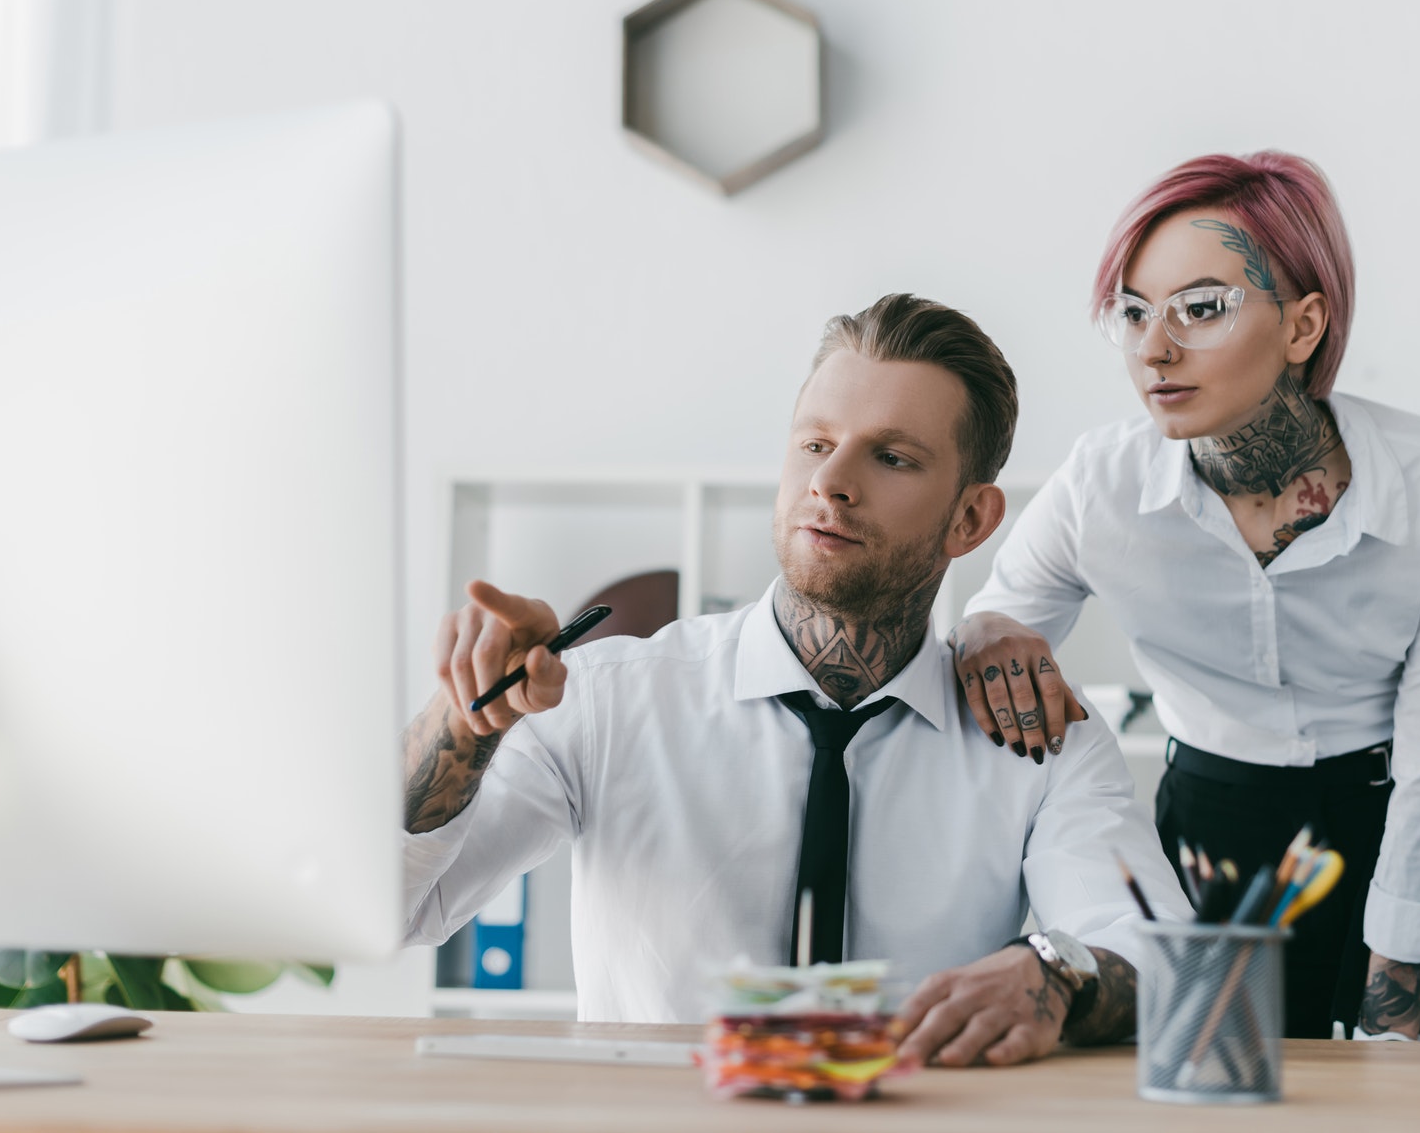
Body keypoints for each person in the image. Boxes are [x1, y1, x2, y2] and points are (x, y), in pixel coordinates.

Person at [401, 294, 1190, 1067]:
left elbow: (1160, 952)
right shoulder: (609, 699)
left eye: (892, 457)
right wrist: (462, 723)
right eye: (815, 444)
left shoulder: (1037, 734)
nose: (832, 482)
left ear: (971, 520)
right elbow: (398, 909)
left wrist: (1055, 973)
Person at [949, 153, 1420, 1043]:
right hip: (1215, 841)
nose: (1155, 347)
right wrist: (987, 629)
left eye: (1202, 307)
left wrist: (1397, 1005)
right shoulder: (1100, 484)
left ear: (1304, 325)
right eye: (1136, 312)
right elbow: (998, 619)